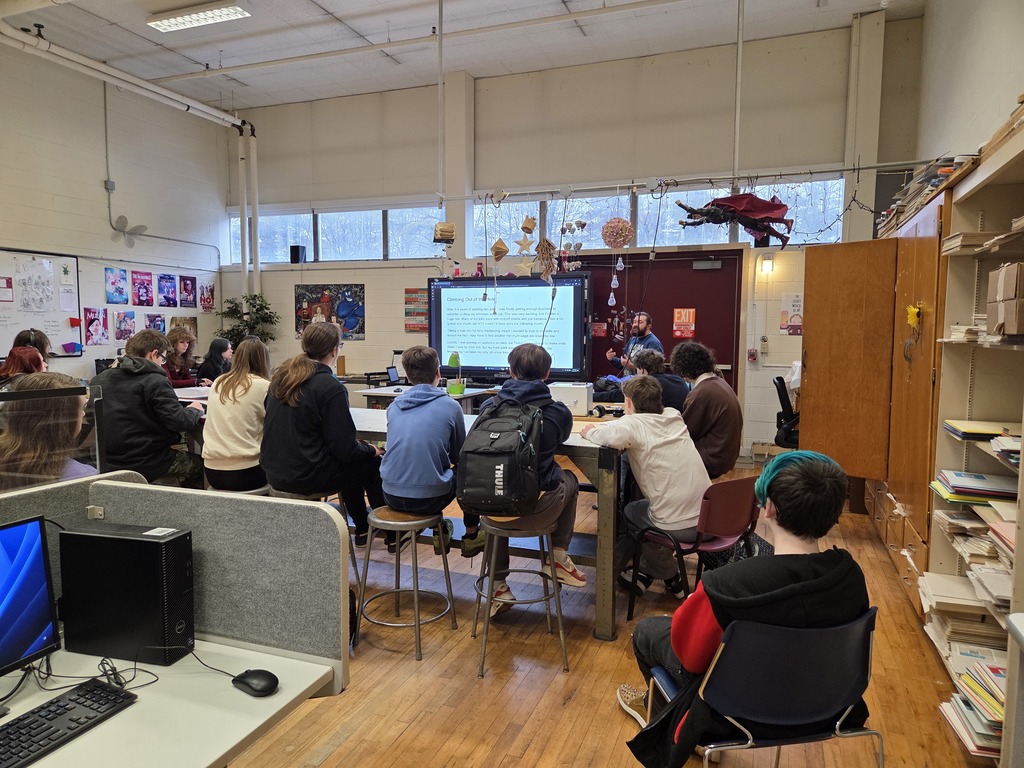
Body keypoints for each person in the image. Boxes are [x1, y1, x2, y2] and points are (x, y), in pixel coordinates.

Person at [618, 451, 870, 768]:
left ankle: (662, 715)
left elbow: (691, 659)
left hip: (732, 716)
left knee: (646, 632)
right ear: (835, 512)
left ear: (769, 509)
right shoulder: (849, 577)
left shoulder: (728, 585)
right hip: (829, 707)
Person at [476, 343, 586, 617]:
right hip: (536, 512)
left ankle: (498, 584)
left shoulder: (488, 406)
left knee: (498, 488)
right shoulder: (557, 412)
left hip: (487, 511)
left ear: (510, 372)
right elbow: (561, 439)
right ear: (547, 374)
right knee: (569, 479)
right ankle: (557, 557)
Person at [580, 376, 709, 598]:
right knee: (650, 505)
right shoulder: (673, 416)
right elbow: (625, 428)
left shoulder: (632, 426)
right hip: (711, 519)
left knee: (631, 510)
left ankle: (672, 577)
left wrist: (589, 431)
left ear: (628, 402)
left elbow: (608, 436)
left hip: (679, 526)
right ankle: (647, 572)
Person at [261, 323, 385, 547]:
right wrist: (370, 449)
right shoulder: (330, 386)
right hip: (308, 477)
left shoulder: (281, 379)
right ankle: (385, 530)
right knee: (370, 463)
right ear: (334, 350)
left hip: (275, 473)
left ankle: (363, 529)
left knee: (351, 464)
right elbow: (344, 449)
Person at [379, 345, 484, 558]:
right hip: (430, 499)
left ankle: (438, 529)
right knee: (467, 470)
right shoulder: (450, 406)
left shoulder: (394, 406)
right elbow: (459, 456)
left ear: (407, 376)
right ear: (438, 373)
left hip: (390, 495)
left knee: (418, 469)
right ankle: (471, 534)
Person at [90, 329, 206, 487]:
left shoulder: (100, 379)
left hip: (106, 460)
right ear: (154, 354)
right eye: (163, 359)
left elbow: (90, 418)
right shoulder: (155, 381)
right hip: (146, 461)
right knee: (202, 467)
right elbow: (179, 422)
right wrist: (195, 408)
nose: (162, 363)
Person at [0, 372, 96, 490]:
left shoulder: (8, 463)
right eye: (82, 408)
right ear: (62, 421)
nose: (83, 413)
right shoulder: (84, 479)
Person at [202, 338, 272, 492]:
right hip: (247, 471)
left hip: (212, 470)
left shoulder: (219, 382)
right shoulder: (264, 386)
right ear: (264, 360)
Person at [669, 341, 742, 479]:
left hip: (713, 459)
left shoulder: (702, 393)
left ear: (683, 368)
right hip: (724, 454)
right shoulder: (719, 382)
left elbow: (685, 433)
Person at [632, 349, 689, 413]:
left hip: (665, 421)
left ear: (642, 370)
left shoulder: (648, 385)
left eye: (636, 370)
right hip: (682, 420)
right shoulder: (678, 379)